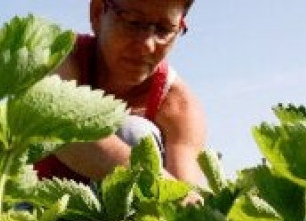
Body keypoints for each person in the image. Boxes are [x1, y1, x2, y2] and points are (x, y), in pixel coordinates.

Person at [35, 0, 207, 188]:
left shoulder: (178, 105)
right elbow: (63, 129)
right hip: (35, 208)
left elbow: (184, 192)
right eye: (132, 23)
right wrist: (157, 185)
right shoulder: (63, 57)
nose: (147, 45)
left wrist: (181, 199)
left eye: (164, 29)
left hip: (122, 215)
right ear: (97, 13)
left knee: (136, 133)